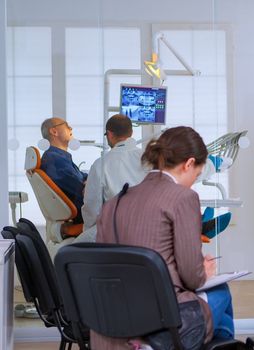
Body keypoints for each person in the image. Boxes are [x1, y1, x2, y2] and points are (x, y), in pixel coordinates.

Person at [95, 126, 234, 348]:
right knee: (221, 292)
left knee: (219, 320)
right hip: (160, 315)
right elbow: (192, 277)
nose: (193, 181)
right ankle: (158, 344)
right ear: (188, 164)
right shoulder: (183, 198)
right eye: (196, 175)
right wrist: (203, 271)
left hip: (114, 319)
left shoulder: (113, 203)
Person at [81, 114, 148, 237]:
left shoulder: (100, 164)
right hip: (149, 229)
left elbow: (92, 207)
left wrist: (88, 230)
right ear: (131, 133)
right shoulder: (149, 158)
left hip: (116, 231)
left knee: (70, 252)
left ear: (110, 134)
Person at [40, 117, 88, 223]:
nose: (71, 128)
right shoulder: (54, 159)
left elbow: (81, 176)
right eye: (66, 125)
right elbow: (81, 189)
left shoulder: (59, 157)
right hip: (84, 216)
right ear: (54, 131)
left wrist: (88, 180)